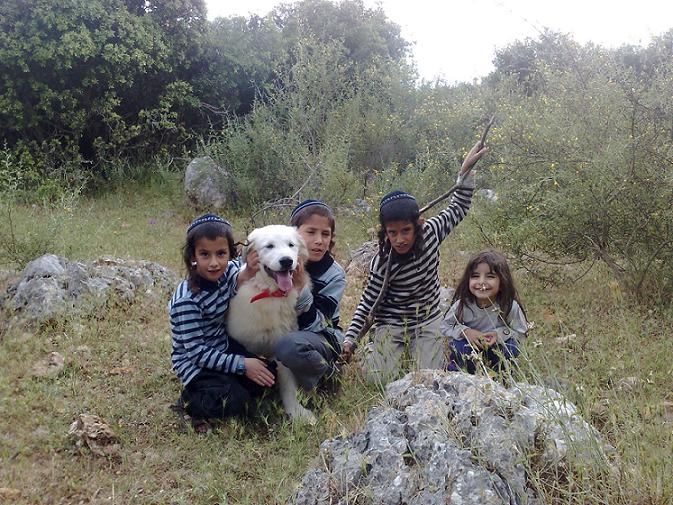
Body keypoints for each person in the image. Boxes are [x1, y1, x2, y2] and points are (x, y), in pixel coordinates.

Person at [341, 141, 486, 382]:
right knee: (378, 379)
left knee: (429, 377)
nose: (400, 239)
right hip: (392, 323)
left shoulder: (432, 231)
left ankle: (423, 348)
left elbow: (459, 206)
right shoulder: (383, 263)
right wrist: (349, 340)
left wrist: (466, 171)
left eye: (406, 230)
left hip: (428, 318)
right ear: (385, 232)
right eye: (392, 233)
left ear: (419, 224)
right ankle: (375, 347)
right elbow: (367, 303)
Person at [169, 214, 275, 431]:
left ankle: (227, 382)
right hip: (195, 363)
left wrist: (250, 269)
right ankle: (189, 402)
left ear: (230, 253)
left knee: (269, 375)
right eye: (204, 254)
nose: (214, 262)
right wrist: (242, 364)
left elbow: (236, 277)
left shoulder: (226, 271)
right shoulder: (186, 301)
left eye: (221, 253)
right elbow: (197, 353)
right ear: (192, 256)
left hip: (222, 346)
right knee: (236, 399)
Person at [273, 199, 347, 392]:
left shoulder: (334, 275)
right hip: (282, 331)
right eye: (311, 232)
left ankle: (326, 379)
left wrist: (300, 287)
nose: (319, 240)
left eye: (325, 234)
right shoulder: (276, 261)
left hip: (319, 338)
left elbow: (317, 325)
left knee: (288, 346)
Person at [441, 248, 528, 374]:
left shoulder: (508, 306)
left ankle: (501, 377)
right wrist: (465, 332)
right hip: (470, 349)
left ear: (502, 282)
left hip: (497, 349)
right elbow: (445, 326)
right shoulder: (463, 305)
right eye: (475, 276)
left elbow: (521, 333)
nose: (481, 282)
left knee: (511, 348)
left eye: (490, 276)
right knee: (459, 347)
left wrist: (498, 335)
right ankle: (462, 374)